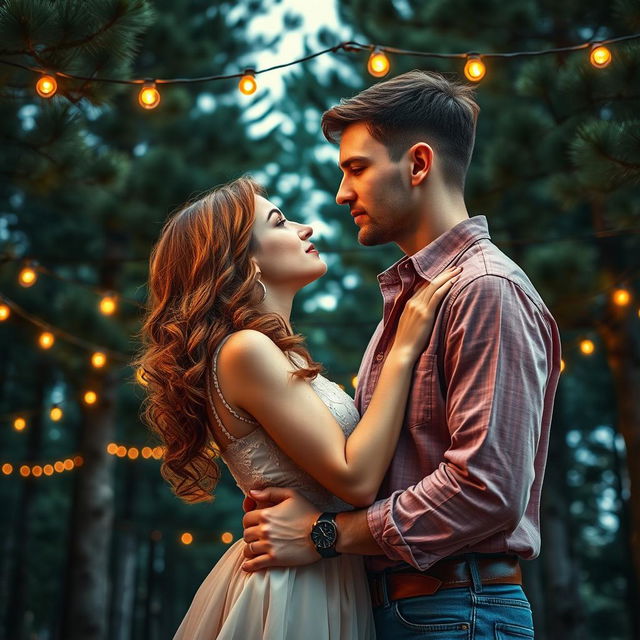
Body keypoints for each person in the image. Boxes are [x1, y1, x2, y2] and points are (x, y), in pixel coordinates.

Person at [241, 70, 562, 639]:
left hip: (458, 612)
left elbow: (485, 489)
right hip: (404, 611)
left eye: (356, 168)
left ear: (417, 165)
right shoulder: (410, 303)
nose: (341, 194)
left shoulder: (485, 289)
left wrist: (325, 534)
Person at [136, 175, 460, 639]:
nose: (306, 228)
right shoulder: (244, 350)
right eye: (281, 222)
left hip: (321, 571)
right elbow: (356, 477)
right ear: (243, 260)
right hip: (294, 589)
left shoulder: (274, 353)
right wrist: (405, 349)